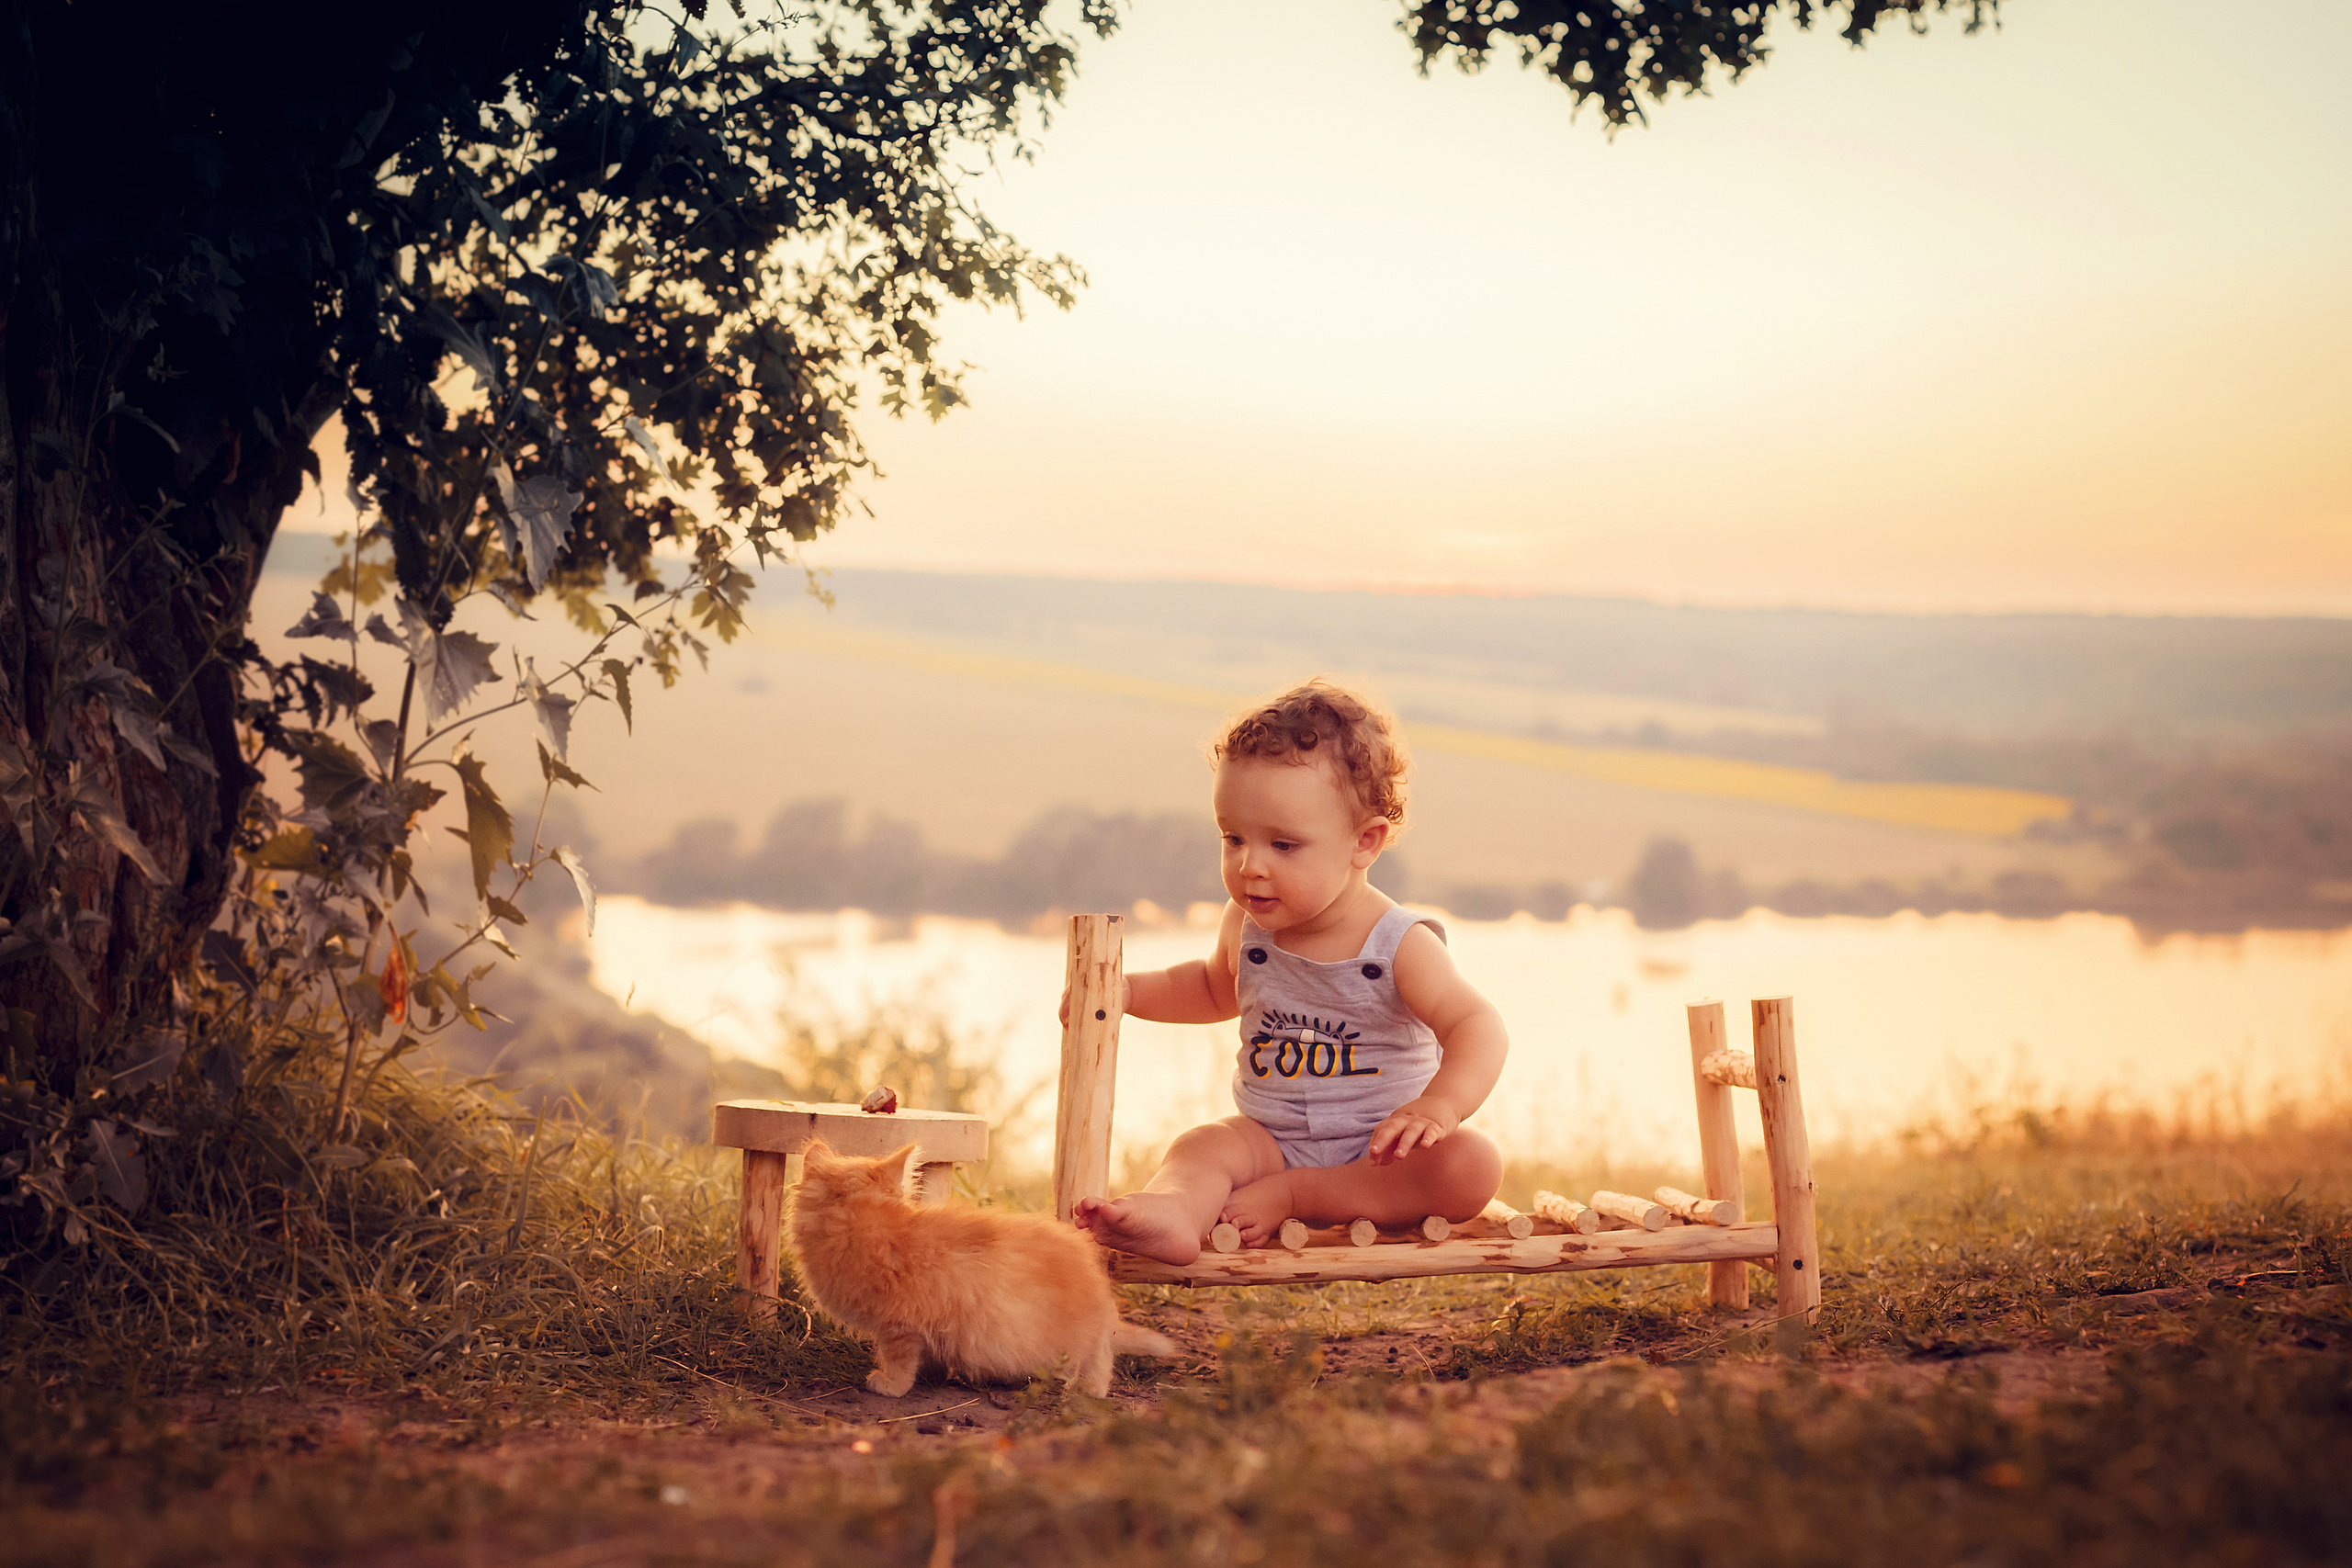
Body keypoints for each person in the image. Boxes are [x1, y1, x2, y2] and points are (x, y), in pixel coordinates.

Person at [1069, 680, 1506, 1265]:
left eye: (1283, 845)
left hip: (1380, 1153)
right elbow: (1209, 988)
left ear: (1364, 842)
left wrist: (1441, 1105)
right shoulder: (1247, 926)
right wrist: (1123, 993)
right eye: (1233, 838)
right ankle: (1173, 1211)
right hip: (1270, 1141)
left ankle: (1301, 1196)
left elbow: (1476, 1024)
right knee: (1202, 1147)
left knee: (1472, 1165)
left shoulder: (1400, 944)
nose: (1250, 866)